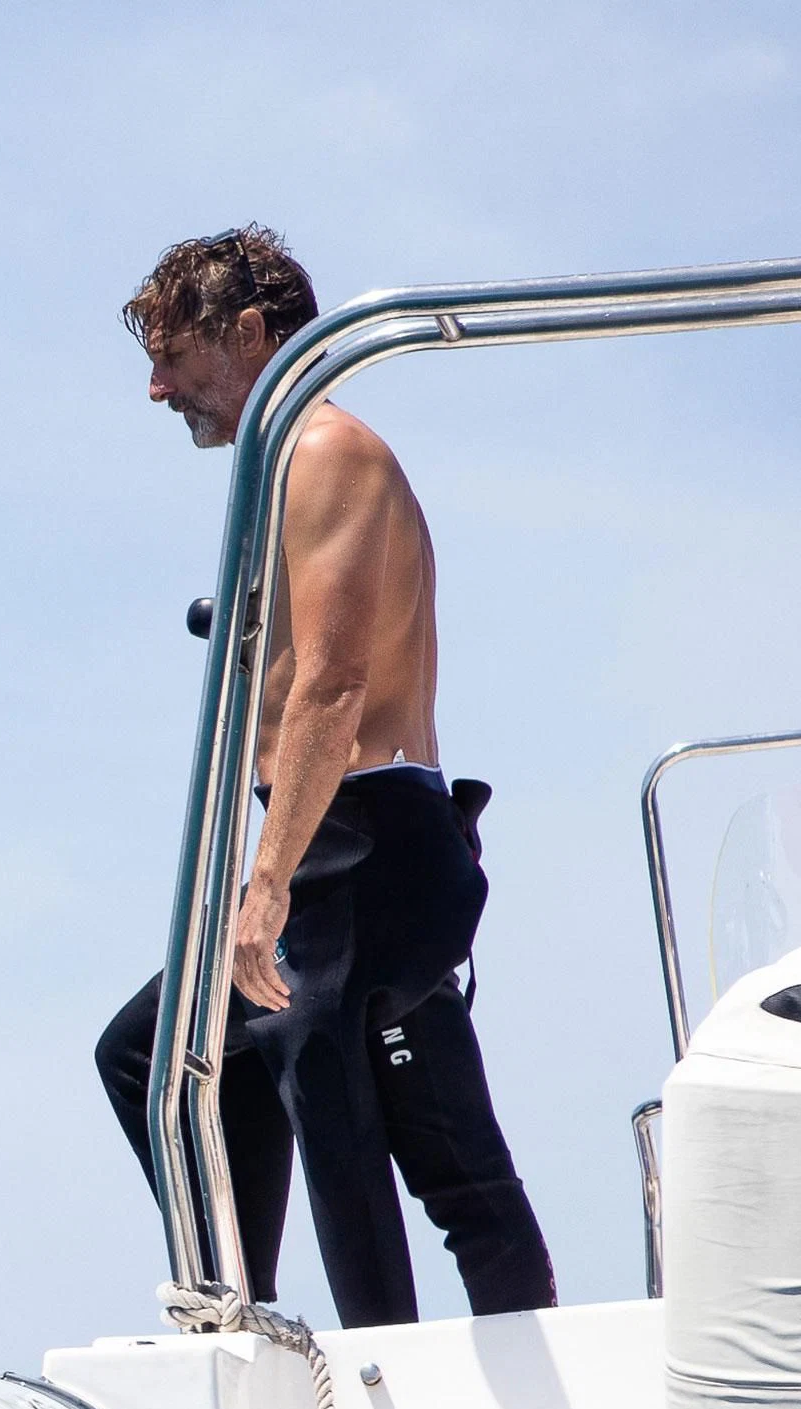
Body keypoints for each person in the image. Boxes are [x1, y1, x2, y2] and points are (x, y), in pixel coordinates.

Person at [92, 226, 555, 1327]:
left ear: (251, 333)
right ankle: (250, 1315)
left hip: (358, 839)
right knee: (178, 1057)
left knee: (301, 1064)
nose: (157, 390)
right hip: (363, 840)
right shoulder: (284, 465)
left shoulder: (323, 450)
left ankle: (366, 1369)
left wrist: (268, 883)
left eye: (176, 358)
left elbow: (332, 688)